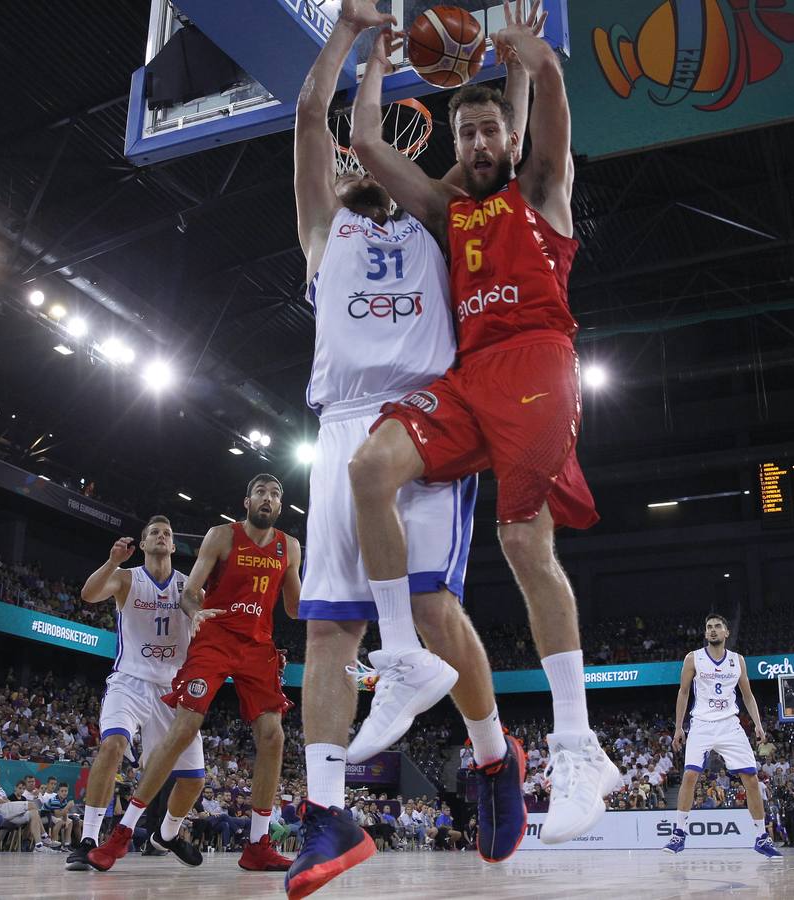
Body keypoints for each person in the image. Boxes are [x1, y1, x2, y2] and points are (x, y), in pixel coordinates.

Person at [345, 0, 616, 845]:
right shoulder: (448, 211)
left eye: (491, 131)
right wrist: (371, 71)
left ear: (508, 138)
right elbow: (368, 151)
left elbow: (553, 127)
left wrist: (540, 63)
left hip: (538, 362)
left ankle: (576, 747)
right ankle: (400, 656)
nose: (479, 144)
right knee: (368, 470)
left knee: (525, 543)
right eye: (466, 136)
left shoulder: (542, 189)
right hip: (469, 377)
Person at [286, 4, 538, 895]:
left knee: (435, 613)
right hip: (341, 425)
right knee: (326, 628)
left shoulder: (444, 218)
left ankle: (491, 756)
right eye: (358, 154)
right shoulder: (325, 226)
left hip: (426, 420)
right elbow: (309, 116)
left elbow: (505, 149)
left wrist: (514, 69)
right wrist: (348, 36)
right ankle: (326, 817)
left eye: (380, 154)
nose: (364, 163)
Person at [87, 476, 298, 874]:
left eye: (274, 494)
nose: (267, 499)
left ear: (280, 505)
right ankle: (122, 833)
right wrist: (194, 611)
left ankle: (256, 843)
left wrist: (333, 592)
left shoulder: (291, 547)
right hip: (212, 640)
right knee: (182, 727)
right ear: (247, 500)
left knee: (273, 736)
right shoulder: (221, 536)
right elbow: (189, 594)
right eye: (260, 493)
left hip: (257, 647)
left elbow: (294, 608)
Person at [66, 515, 205, 871]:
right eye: (154, 533)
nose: (161, 536)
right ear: (143, 544)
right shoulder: (127, 578)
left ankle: (166, 835)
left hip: (173, 690)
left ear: (174, 546)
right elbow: (89, 594)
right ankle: (88, 839)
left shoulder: (190, 587)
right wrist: (113, 560)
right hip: (129, 681)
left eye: (167, 534)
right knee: (112, 745)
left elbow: (202, 618)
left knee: (193, 780)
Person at [662, 615, 782, 859]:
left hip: (730, 724)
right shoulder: (692, 658)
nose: (713, 630)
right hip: (702, 724)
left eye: (717, 627)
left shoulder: (738, 660)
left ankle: (761, 837)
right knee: (690, 775)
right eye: (709, 627)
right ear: (706, 633)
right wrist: (678, 727)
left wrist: (758, 725)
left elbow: (747, 695)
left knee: (751, 778)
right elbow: (683, 692)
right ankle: (679, 833)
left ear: (726, 632)